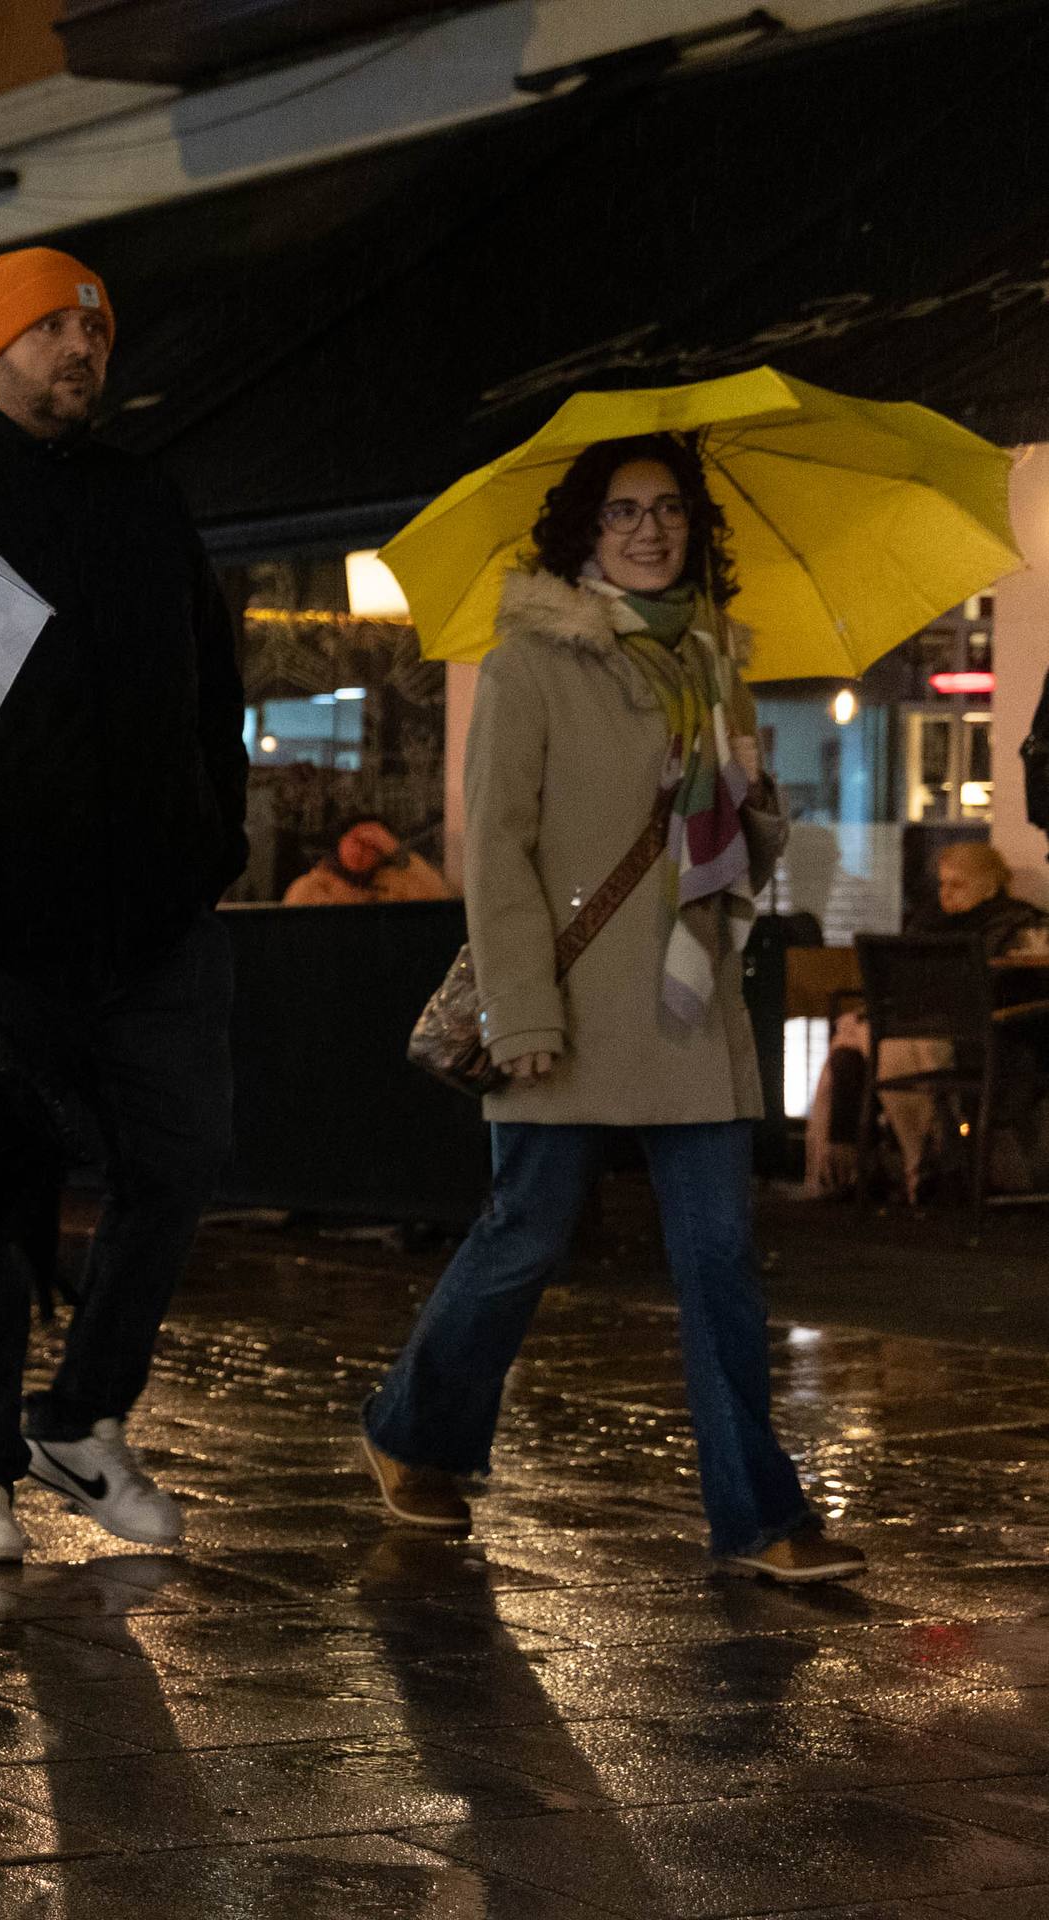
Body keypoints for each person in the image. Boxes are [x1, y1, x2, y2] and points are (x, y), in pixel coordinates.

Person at [360, 432, 864, 1584]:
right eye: (622, 512)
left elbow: (722, 856)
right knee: (523, 1239)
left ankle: (758, 1514)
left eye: (669, 510)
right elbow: (496, 847)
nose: (648, 530)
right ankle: (409, 1430)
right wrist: (522, 1012)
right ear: (582, 533)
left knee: (720, 1259)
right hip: (571, 1009)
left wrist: (754, 807)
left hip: (688, 1011)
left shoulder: (714, 663)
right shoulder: (532, 659)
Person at [0, 247, 247, 1563]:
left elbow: (208, 683)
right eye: (51, 328)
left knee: (182, 1163)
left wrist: (208, 842)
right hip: (1, 921)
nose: (79, 350)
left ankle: (82, 1416)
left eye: (93, 329)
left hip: (159, 916)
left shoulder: (143, 493)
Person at [811, 841, 1049, 1197]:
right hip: (937, 1030)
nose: (946, 893)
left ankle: (895, 1165)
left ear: (990, 884)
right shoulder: (928, 923)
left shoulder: (1015, 924)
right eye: (942, 884)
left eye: (958, 884)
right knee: (860, 1049)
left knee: (871, 1045)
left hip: (985, 1039)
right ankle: (921, 1165)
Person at [282, 815, 451, 906]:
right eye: (357, 841)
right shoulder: (312, 887)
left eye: (374, 846)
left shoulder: (399, 886)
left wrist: (399, 854)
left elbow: (438, 901)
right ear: (341, 841)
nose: (361, 851)